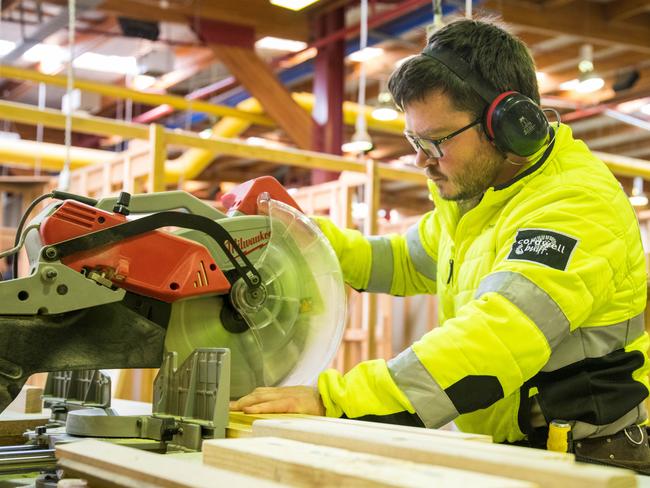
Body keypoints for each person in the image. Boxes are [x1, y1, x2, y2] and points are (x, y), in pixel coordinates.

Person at [230, 17, 650, 472]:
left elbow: (493, 341)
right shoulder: (478, 205)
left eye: (436, 142)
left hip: (594, 461)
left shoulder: (574, 204)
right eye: (415, 140)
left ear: (511, 124)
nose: (420, 160)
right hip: (518, 452)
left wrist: (336, 399)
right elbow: (398, 261)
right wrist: (298, 232)